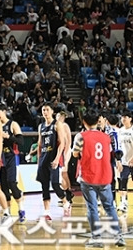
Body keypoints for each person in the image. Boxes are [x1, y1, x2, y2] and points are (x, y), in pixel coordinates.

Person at [72, 109, 126, 248]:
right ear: (98, 121)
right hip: (105, 175)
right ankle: (118, 236)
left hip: (88, 176)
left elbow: (75, 154)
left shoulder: (81, 136)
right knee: (110, 207)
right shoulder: (106, 137)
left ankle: (96, 238)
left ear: (84, 122)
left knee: (92, 208)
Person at [36, 102, 68, 221]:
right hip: (43, 158)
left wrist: (57, 158)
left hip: (53, 158)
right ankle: (47, 212)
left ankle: (65, 201)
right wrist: (39, 161)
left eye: (47, 110)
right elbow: (40, 144)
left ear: (52, 111)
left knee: (55, 184)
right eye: (43, 110)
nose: (45, 112)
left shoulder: (57, 124)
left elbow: (62, 143)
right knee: (44, 186)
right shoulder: (41, 126)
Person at [0, 103, 26, 223]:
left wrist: (8, 136)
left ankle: (21, 209)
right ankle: (7, 212)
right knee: (3, 187)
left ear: (4, 111)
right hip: (0, 157)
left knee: (12, 184)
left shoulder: (12, 124)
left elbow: (21, 141)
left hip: (11, 157)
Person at [117, 111, 133, 213]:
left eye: (125, 117)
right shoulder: (120, 131)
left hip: (132, 160)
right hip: (124, 161)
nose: (123, 119)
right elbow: (118, 147)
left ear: (130, 118)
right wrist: (118, 160)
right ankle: (123, 202)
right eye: (122, 117)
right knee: (123, 181)